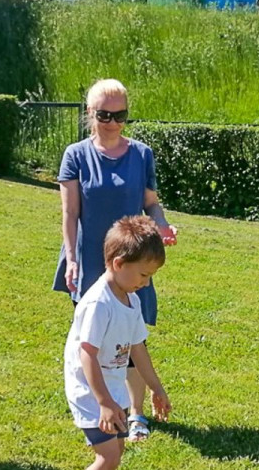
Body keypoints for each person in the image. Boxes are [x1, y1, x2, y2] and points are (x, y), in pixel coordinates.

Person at [53, 78, 177, 442]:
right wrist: (73, 260)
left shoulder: (141, 153)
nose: (111, 122)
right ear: (90, 113)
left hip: (132, 257)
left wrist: (163, 224)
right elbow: (70, 213)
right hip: (91, 259)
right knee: (93, 339)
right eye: (104, 114)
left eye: (120, 115)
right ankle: (96, 408)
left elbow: (150, 201)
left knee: (131, 334)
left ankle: (136, 413)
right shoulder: (76, 155)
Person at [57, 216, 172, 470]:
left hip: (112, 386)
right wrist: (105, 402)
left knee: (117, 451)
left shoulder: (130, 299)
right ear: (118, 263)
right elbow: (87, 356)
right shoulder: (98, 303)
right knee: (107, 456)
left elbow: (139, 349)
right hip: (90, 389)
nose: (146, 284)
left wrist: (156, 388)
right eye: (144, 275)